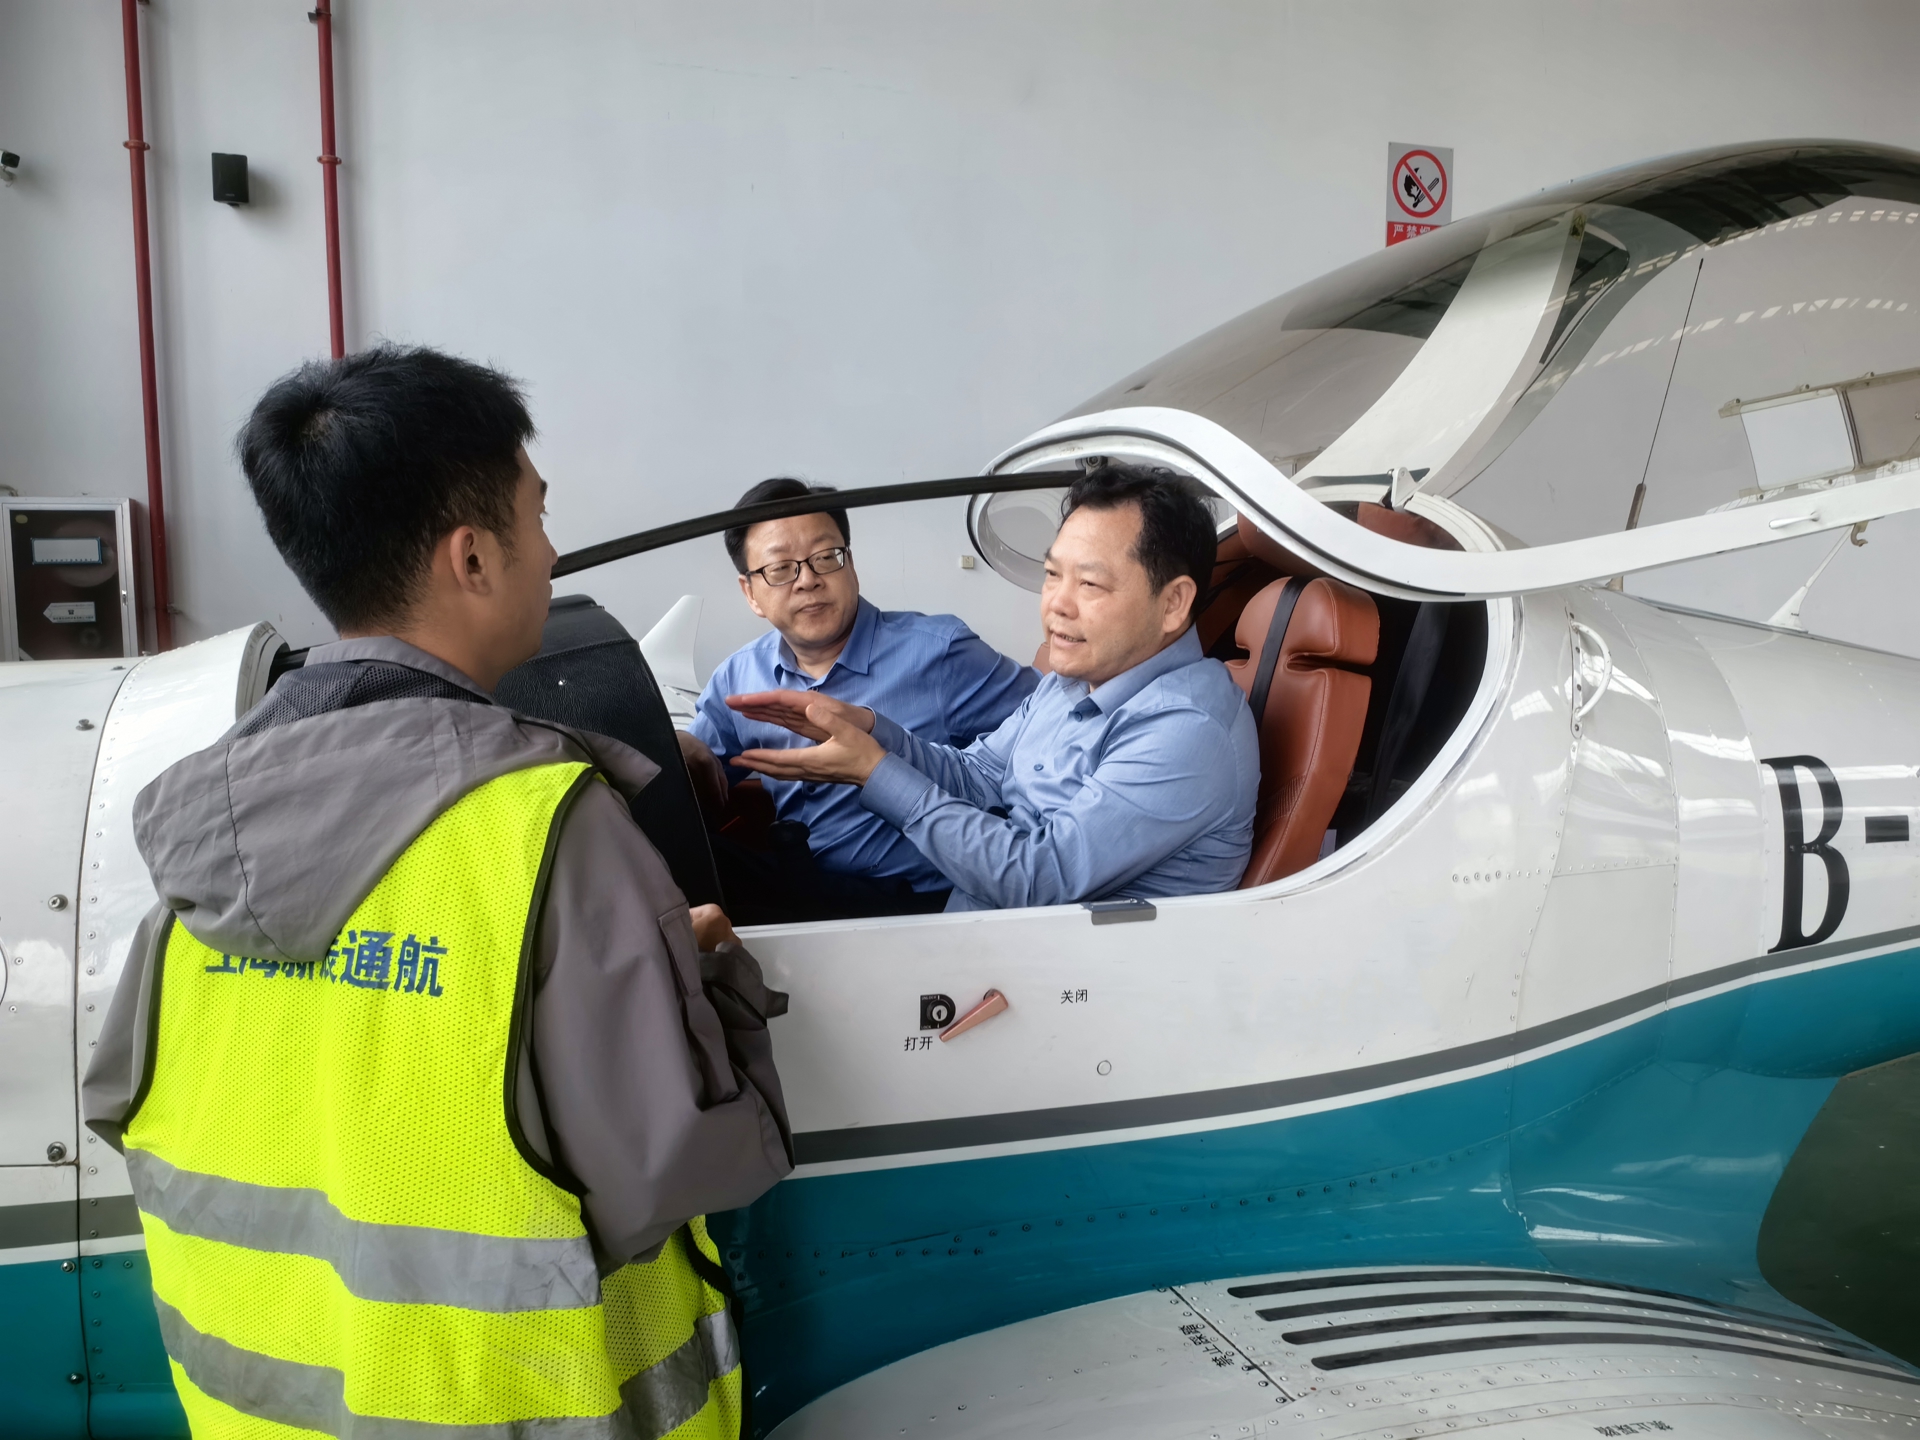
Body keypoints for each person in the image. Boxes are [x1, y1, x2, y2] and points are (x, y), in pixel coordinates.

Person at [81, 345, 790, 1440]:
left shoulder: (200, 829)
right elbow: (676, 1169)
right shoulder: (547, 825)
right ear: (473, 557)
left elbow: (119, 1101)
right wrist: (712, 988)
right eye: (538, 516)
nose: (550, 551)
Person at [729, 463, 1258, 910]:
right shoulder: (1072, 682)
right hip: (976, 940)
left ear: (1173, 603)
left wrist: (873, 771)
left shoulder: (1187, 728)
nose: (1057, 604)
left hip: (1052, 978)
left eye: (1090, 583)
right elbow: (977, 775)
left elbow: (1036, 878)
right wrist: (871, 730)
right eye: (1052, 575)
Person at [680, 477, 1037, 919]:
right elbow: (694, 771)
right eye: (781, 568)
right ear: (751, 592)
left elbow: (1052, 719)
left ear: (850, 563)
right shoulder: (738, 678)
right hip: (801, 892)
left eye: (825, 557)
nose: (808, 581)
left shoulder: (941, 651)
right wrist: (674, 745)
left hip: (920, 903)